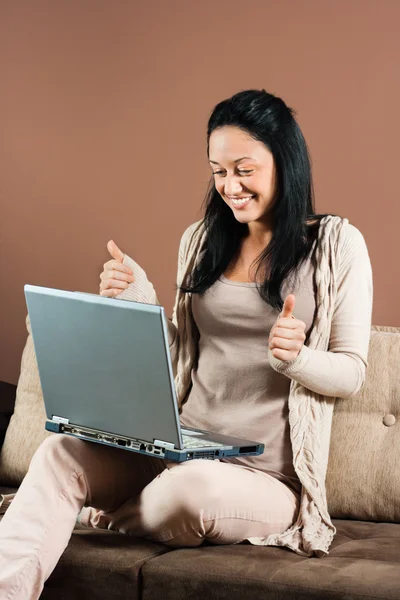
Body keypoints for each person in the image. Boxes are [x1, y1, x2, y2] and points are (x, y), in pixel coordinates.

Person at [0, 89, 373, 599]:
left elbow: (352, 373)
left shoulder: (336, 245)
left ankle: (106, 511)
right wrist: (142, 301)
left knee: (189, 491)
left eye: (245, 169)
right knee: (59, 451)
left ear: (285, 163)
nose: (230, 186)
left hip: (263, 478)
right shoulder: (199, 240)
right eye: (218, 171)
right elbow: (181, 355)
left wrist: (298, 359)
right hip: (179, 447)